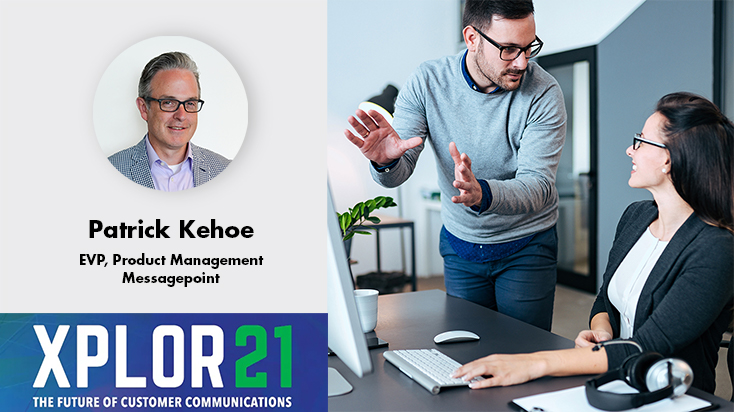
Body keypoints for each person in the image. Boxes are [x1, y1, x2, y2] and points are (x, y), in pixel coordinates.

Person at [452, 92, 734, 394]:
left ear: (668, 158)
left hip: (670, 396)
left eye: (640, 141)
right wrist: (601, 332)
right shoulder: (636, 217)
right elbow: (605, 300)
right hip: (613, 380)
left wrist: (534, 364)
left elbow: (647, 346)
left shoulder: (716, 249)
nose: (630, 150)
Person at [344, 0, 566, 330]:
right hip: (461, 246)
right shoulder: (427, 82)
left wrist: (482, 194)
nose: (522, 61)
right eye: (508, 49)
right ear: (472, 38)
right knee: (468, 351)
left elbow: (540, 186)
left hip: (526, 245)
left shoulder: (543, 92)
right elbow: (396, 174)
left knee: (524, 354)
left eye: (528, 47)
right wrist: (386, 162)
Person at [109, 51, 230, 191]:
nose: (181, 115)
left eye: (190, 103)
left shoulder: (225, 171)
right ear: (144, 109)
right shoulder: (112, 170)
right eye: (168, 103)